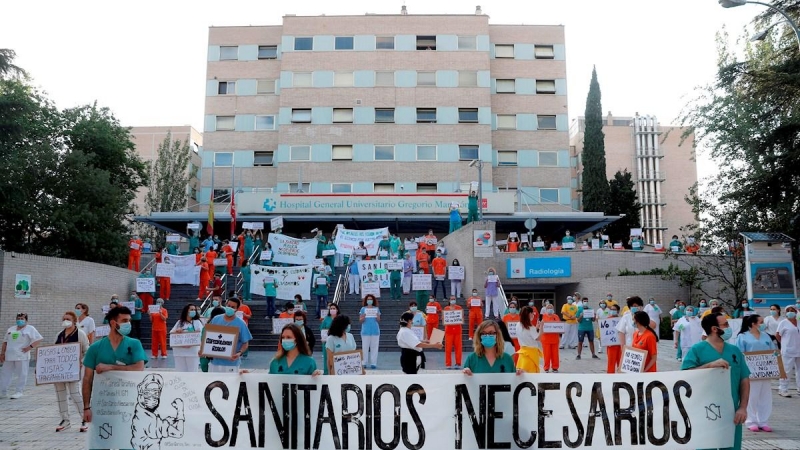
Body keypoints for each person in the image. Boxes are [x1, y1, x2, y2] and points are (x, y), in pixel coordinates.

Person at [682, 313, 750, 449]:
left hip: (732, 412)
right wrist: (708, 366)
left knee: (731, 446)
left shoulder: (734, 351)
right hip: (704, 412)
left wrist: (742, 407)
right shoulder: (697, 350)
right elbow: (685, 376)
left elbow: (744, 379)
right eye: (725, 325)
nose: (729, 327)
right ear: (714, 329)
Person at [82, 307, 148, 425]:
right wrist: (86, 407)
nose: (128, 324)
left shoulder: (134, 344)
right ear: (113, 323)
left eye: (129, 321)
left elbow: (139, 368)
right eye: (124, 321)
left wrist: (110, 367)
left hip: (129, 402)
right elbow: (87, 379)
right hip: (104, 403)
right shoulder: (95, 348)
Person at [736, 314, 777, 432]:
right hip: (750, 371)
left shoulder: (766, 336)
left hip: (765, 370)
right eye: (761, 322)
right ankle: (751, 421)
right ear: (753, 323)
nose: (763, 324)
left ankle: (763, 421)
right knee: (752, 396)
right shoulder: (742, 337)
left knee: (765, 396)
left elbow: (773, 351)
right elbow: (740, 354)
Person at [52, 311, 90, 431]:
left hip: (73, 369)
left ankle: (85, 419)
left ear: (74, 320)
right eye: (63, 319)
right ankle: (65, 420)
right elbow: (53, 351)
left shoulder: (80, 334)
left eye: (68, 319)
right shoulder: (59, 334)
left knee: (75, 394)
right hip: (59, 370)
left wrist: (81, 362)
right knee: (60, 394)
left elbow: (87, 350)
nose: (65, 321)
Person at [0, 313, 42, 399]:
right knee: (5, 373)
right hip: (9, 355)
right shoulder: (11, 329)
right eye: (18, 318)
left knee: (21, 374)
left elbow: (39, 339)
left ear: (26, 320)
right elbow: (5, 342)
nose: (20, 320)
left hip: (22, 355)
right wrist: (2, 353)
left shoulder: (30, 329)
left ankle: (19, 391)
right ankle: (2, 391)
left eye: (22, 318)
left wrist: (29, 347)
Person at [207, 299, 252, 372]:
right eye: (228, 306)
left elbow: (245, 342)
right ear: (225, 305)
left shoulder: (241, 323)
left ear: (237, 309)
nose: (230, 308)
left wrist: (239, 353)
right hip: (215, 362)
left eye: (233, 307)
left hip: (231, 363)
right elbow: (208, 337)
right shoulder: (216, 319)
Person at [169, 304, 203, 372]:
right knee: (180, 372)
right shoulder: (179, 322)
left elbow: (202, 336)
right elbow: (172, 333)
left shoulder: (197, 322)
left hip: (192, 352)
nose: (193, 311)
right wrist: (177, 331)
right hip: (179, 352)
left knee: (192, 372)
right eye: (191, 310)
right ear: (186, 311)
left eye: (194, 310)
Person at [776, 305, 800, 397]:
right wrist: (785, 343)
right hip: (788, 350)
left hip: (799, 350)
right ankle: (783, 389)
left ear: (796, 312)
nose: (790, 312)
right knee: (786, 370)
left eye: (792, 310)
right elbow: (778, 335)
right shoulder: (783, 323)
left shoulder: (799, 322)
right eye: (788, 311)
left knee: (799, 370)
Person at [516, 306, 542, 373]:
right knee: (531, 375)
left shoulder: (518, 325)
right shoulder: (530, 327)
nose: (533, 315)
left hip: (523, 353)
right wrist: (541, 328)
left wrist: (536, 328)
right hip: (531, 354)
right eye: (532, 313)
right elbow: (538, 338)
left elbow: (529, 335)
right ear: (529, 314)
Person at [359, 294, 381, 369]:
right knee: (364, 347)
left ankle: (373, 363)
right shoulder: (363, 309)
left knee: (374, 347)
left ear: (373, 300)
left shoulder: (376, 309)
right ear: (366, 300)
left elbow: (378, 320)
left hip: (375, 331)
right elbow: (360, 320)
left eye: (371, 299)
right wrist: (363, 317)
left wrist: (377, 316)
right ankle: (364, 362)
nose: (369, 300)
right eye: (368, 299)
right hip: (365, 331)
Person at [538, 304, 561, 373]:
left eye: (551, 308)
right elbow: (540, 326)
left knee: (555, 354)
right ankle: (546, 367)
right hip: (546, 339)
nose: (550, 309)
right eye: (548, 308)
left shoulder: (556, 316)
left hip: (554, 338)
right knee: (546, 354)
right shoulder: (543, 316)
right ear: (546, 309)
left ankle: (555, 367)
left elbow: (559, 326)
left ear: (553, 309)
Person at [443, 295, 464, 369]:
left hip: (458, 330)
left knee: (458, 348)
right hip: (449, 330)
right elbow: (444, 319)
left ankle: (458, 363)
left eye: (454, 299)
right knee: (448, 348)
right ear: (449, 300)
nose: (453, 300)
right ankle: (448, 363)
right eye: (451, 299)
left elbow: (462, 317)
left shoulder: (459, 308)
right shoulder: (446, 309)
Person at [320, 303, 337, 374]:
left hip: (336, 340)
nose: (332, 310)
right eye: (331, 308)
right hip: (327, 340)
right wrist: (323, 336)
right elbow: (321, 328)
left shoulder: (339, 318)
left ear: (337, 310)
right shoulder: (326, 318)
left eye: (334, 308)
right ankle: (326, 372)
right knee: (326, 357)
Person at [605, 304, 622, 373]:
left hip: (620, 345)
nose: (612, 311)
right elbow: (604, 333)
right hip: (611, 345)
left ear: (618, 311)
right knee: (611, 362)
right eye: (611, 309)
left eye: (614, 309)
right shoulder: (607, 320)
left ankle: (621, 379)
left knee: (620, 362)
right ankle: (610, 378)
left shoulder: (621, 320)